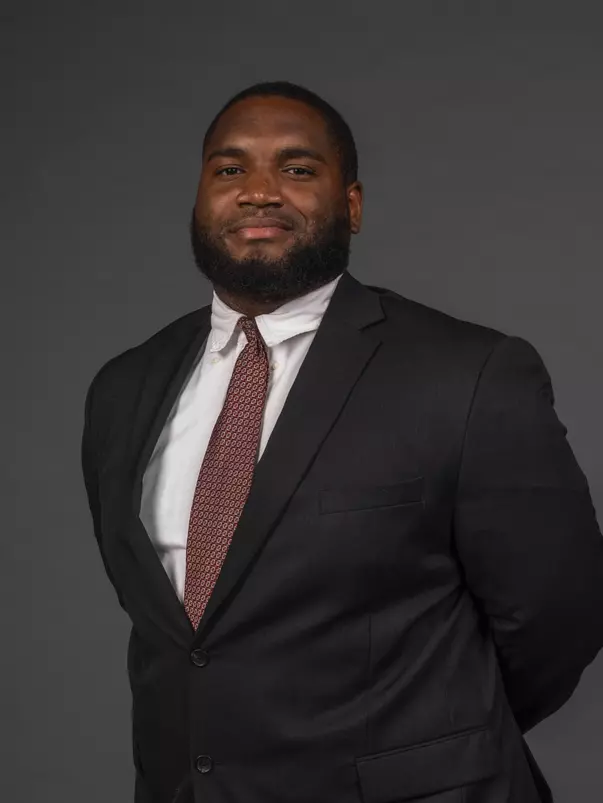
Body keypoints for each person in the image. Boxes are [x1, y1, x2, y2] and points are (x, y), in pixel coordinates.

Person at [80, 81, 603, 803]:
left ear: (351, 206)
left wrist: (439, 736)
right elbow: (176, 636)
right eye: (230, 169)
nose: (258, 191)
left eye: (297, 168)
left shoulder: (467, 373)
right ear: (199, 199)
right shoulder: (124, 387)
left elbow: (559, 614)